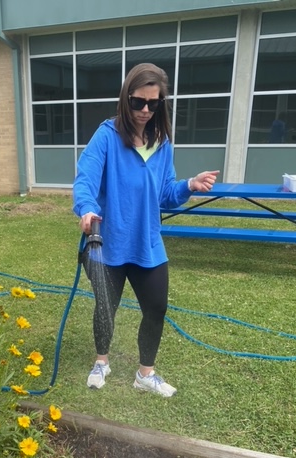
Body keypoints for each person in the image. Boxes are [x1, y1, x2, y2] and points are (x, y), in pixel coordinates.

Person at [73, 63, 219, 397]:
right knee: (105, 307)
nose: (145, 110)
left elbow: (166, 193)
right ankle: (101, 362)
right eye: (139, 101)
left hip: (147, 244)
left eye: (153, 103)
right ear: (126, 98)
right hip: (107, 243)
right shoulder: (107, 136)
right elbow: (86, 180)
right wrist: (87, 207)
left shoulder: (162, 142)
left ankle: (145, 374)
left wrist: (189, 185)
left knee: (156, 308)